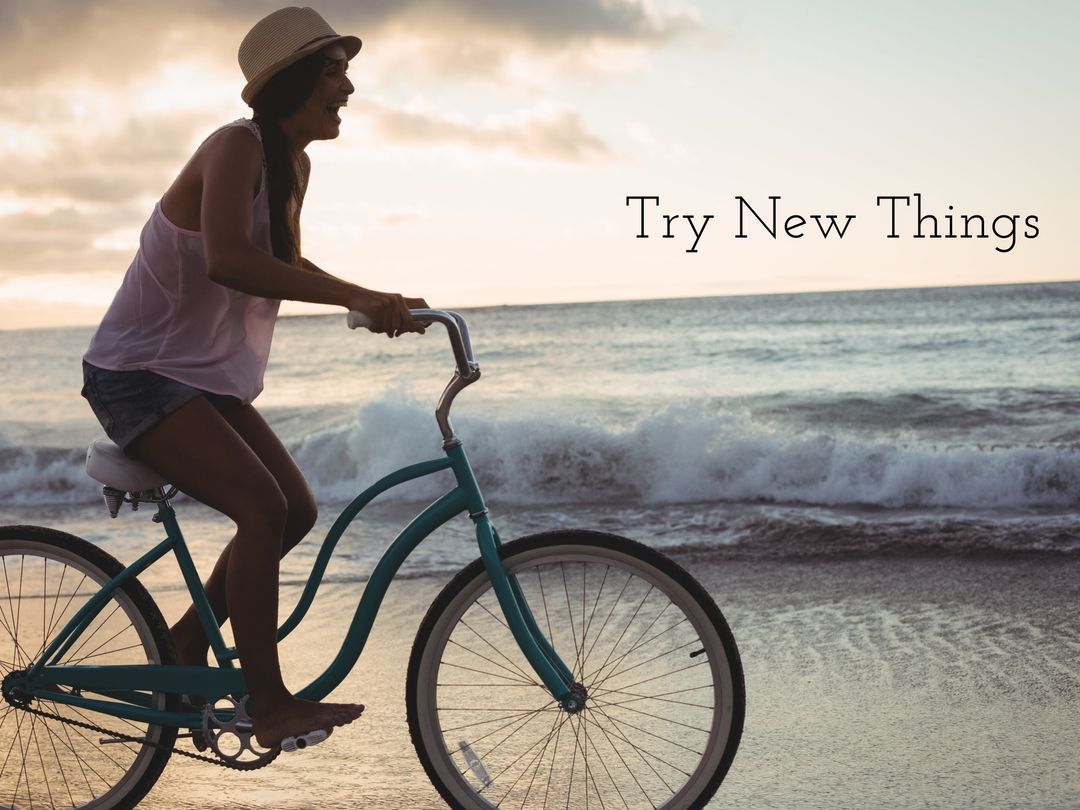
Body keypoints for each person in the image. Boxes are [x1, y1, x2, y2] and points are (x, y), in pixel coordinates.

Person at [80, 7, 426, 749]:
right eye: (334, 71)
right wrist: (354, 297)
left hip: (196, 377)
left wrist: (378, 297)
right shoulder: (234, 147)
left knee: (292, 509)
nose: (349, 88)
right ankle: (267, 706)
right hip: (137, 374)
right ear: (295, 80)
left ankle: (181, 643)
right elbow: (229, 259)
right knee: (261, 508)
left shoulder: (291, 163)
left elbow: (285, 263)